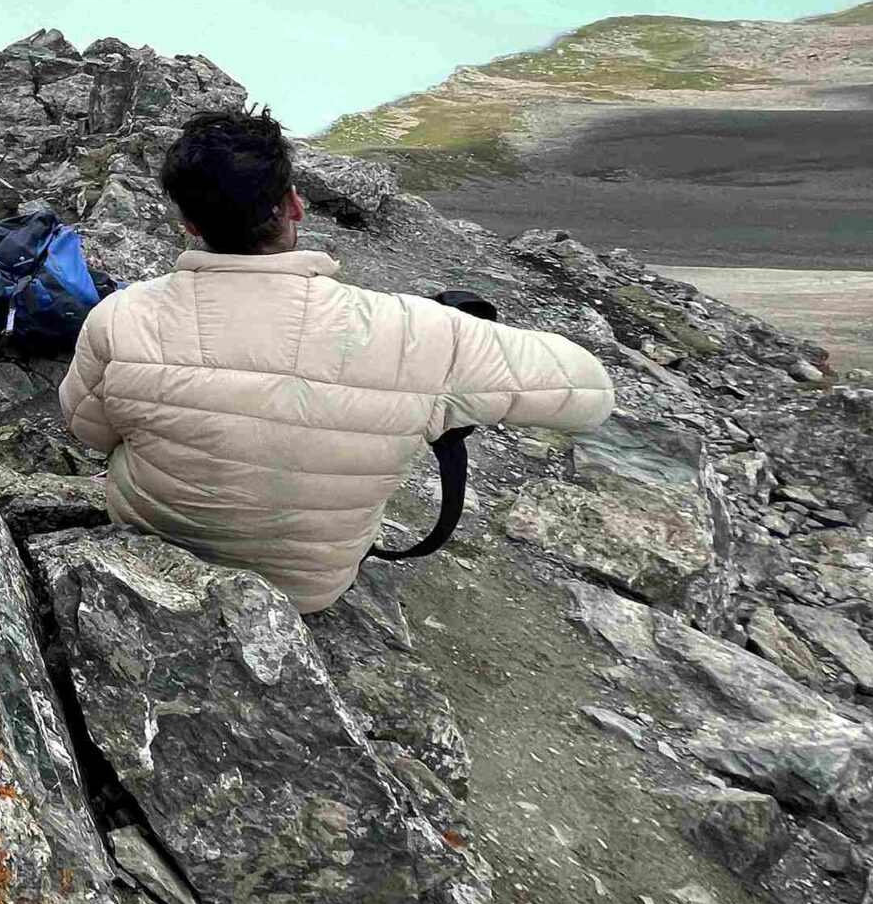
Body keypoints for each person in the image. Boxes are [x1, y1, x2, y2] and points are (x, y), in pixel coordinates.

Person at [58, 108, 615, 614]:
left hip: (154, 548)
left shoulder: (121, 315)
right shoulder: (416, 332)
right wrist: (457, 345)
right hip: (307, 590)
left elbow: (89, 431)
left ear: (190, 224)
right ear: (294, 204)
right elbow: (592, 394)